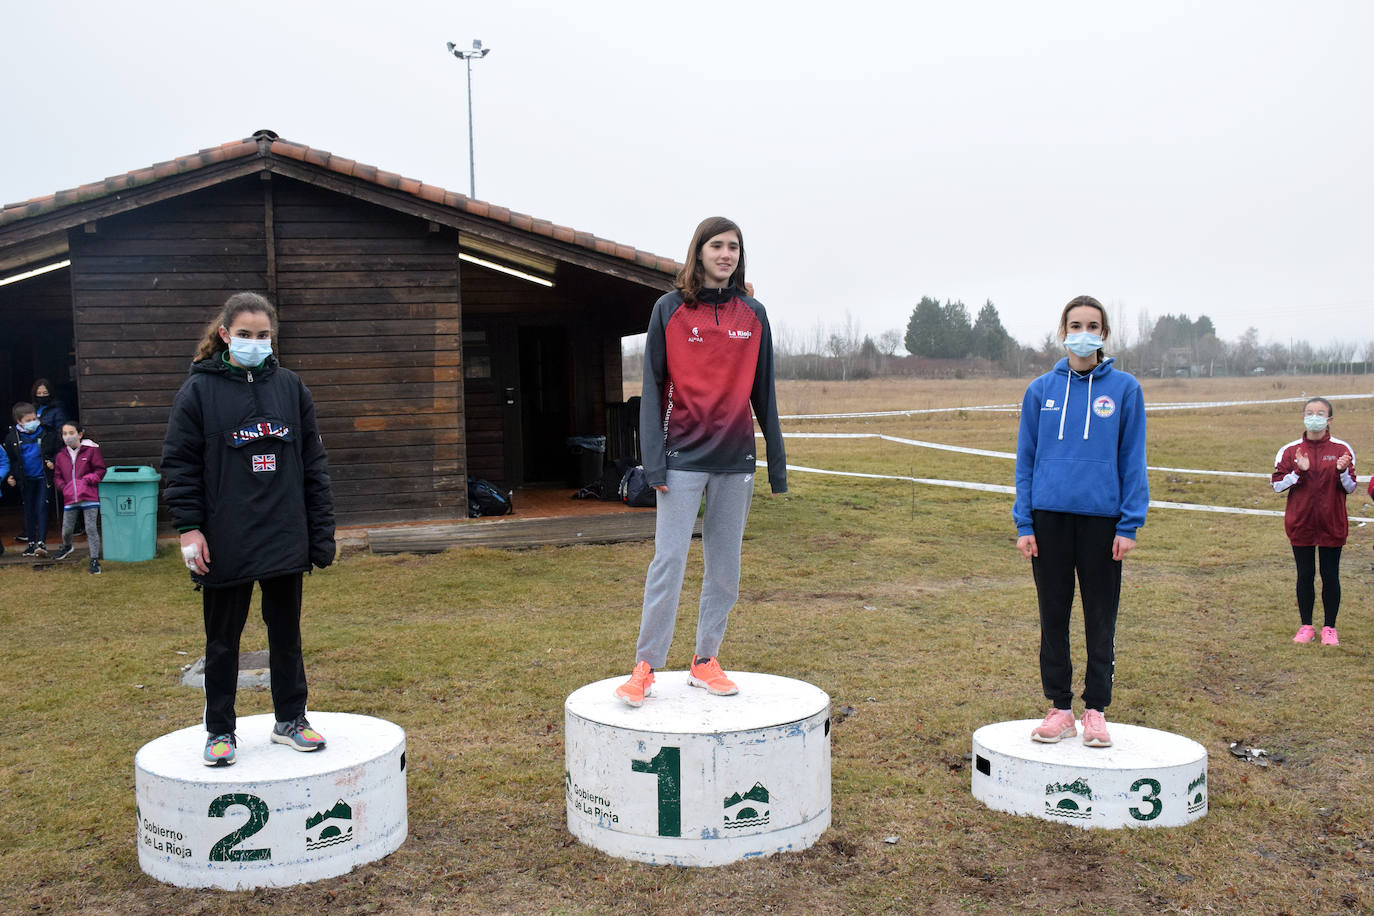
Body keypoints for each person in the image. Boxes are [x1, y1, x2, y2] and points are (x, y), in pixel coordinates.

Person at [614, 216, 787, 707]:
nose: (726, 254)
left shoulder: (753, 315)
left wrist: (776, 464)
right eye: (717, 245)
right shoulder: (668, 310)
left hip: (735, 461)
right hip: (682, 459)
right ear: (699, 252)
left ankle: (705, 660)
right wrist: (654, 464)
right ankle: (645, 665)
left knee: (724, 568)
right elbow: (651, 388)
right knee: (668, 562)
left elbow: (765, 392)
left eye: (733, 247)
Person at [161, 292, 336, 767]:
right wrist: (190, 529)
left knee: (286, 634)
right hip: (225, 540)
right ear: (224, 335)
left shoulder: (292, 388)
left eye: (262, 335)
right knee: (222, 641)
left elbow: (314, 466)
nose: (254, 343)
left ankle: (291, 719)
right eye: (244, 335)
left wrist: (320, 533)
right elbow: (179, 466)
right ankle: (219, 730)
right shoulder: (197, 392)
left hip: (283, 534)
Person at [1013, 295, 1148, 748]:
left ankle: (1095, 710)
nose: (1083, 331)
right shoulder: (1040, 390)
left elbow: (1133, 459)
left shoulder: (1125, 389)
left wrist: (1129, 524)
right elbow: (1026, 460)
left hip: (1102, 522)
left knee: (1099, 618)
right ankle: (1058, 708)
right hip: (1048, 520)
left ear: (1104, 334)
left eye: (1092, 325)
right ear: (1062, 331)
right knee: (1053, 616)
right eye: (1075, 324)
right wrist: (1024, 523)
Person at [1271, 397, 1356, 646]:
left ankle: (1329, 628)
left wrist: (1342, 472)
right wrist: (1299, 471)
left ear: (1329, 419)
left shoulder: (1342, 450)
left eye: (1320, 413)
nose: (1314, 416)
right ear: (1303, 416)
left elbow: (1350, 487)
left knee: (1330, 575)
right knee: (1304, 575)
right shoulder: (1290, 450)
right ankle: (1306, 625)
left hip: (1332, 523)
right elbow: (1276, 485)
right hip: (1301, 524)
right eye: (1310, 412)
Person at [4, 402, 59, 558]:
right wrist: (11, 475)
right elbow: (12, 459)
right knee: (29, 510)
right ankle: (30, 543)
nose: (33, 422)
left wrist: (52, 461)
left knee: (42, 508)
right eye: (28, 420)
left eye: (35, 418)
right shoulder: (12, 437)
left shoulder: (47, 432)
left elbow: (58, 450)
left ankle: (41, 542)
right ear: (19, 422)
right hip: (26, 479)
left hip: (43, 477)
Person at [52, 420, 106, 573]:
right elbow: (57, 476)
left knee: (90, 528)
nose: (68, 437)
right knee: (67, 529)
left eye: (71, 433)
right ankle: (67, 546)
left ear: (80, 434)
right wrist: (64, 488)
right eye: (64, 434)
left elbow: (100, 470)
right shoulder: (61, 455)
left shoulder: (91, 451)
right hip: (70, 498)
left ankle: (94, 560)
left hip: (89, 496)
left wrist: (87, 480)